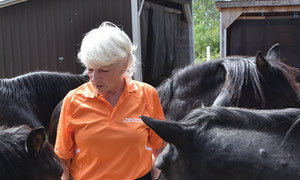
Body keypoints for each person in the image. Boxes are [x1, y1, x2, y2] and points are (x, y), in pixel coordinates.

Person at [54, 21, 165, 180]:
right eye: (90, 69)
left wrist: (156, 176)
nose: (94, 78)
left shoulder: (147, 94)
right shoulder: (73, 100)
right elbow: (62, 158)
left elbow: (159, 146)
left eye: (103, 70)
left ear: (124, 65)